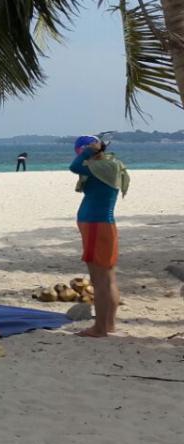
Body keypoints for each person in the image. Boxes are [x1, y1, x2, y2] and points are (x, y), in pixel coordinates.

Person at [70, 136, 129, 338]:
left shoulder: (105, 167)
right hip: (101, 227)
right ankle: (108, 324)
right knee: (108, 279)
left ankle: (100, 328)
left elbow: (74, 166)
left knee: (100, 280)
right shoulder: (109, 166)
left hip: (97, 227)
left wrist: (88, 151)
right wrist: (91, 153)